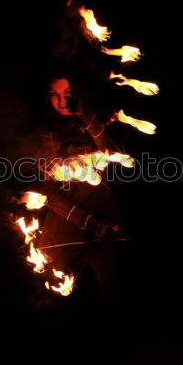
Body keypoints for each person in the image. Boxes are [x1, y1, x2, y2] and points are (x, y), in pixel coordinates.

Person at [22, 75, 129, 309]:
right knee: (58, 297)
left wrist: (86, 115)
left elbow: (110, 153)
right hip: (67, 221)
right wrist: (90, 224)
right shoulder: (42, 137)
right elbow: (48, 194)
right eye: (54, 94)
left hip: (106, 212)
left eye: (67, 93)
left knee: (114, 291)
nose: (61, 101)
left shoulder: (98, 121)